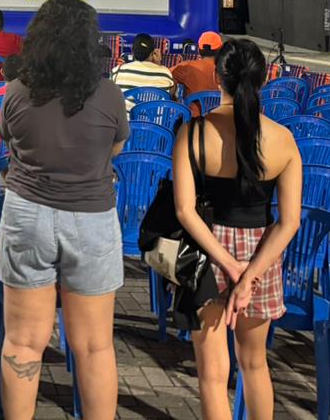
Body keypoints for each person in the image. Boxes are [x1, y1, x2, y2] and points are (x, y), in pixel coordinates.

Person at [0, 0, 127, 420]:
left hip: (27, 216)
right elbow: (116, 147)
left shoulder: (16, 93)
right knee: (94, 346)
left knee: (22, 342)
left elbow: (8, 141)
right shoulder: (109, 95)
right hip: (91, 220)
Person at [171, 38, 302, 420]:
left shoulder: (193, 133)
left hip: (206, 253)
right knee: (255, 365)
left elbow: (184, 210)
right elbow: (289, 221)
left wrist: (227, 265)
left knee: (213, 376)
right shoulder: (284, 141)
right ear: (264, 79)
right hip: (261, 257)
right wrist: (247, 276)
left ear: (216, 77)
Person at [111, 33, 176, 99]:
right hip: (155, 109)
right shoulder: (165, 73)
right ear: (152, 53)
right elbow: (170, 95)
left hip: (125, 109)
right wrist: (158, 65)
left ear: (132, 51)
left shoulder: (118, 71)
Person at [173, 31, 223, 96]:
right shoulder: (228, 70)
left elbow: (166, 75)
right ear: (220, 50)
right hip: (222, 106)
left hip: (191, 106)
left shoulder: (187, 67)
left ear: (199, 50)